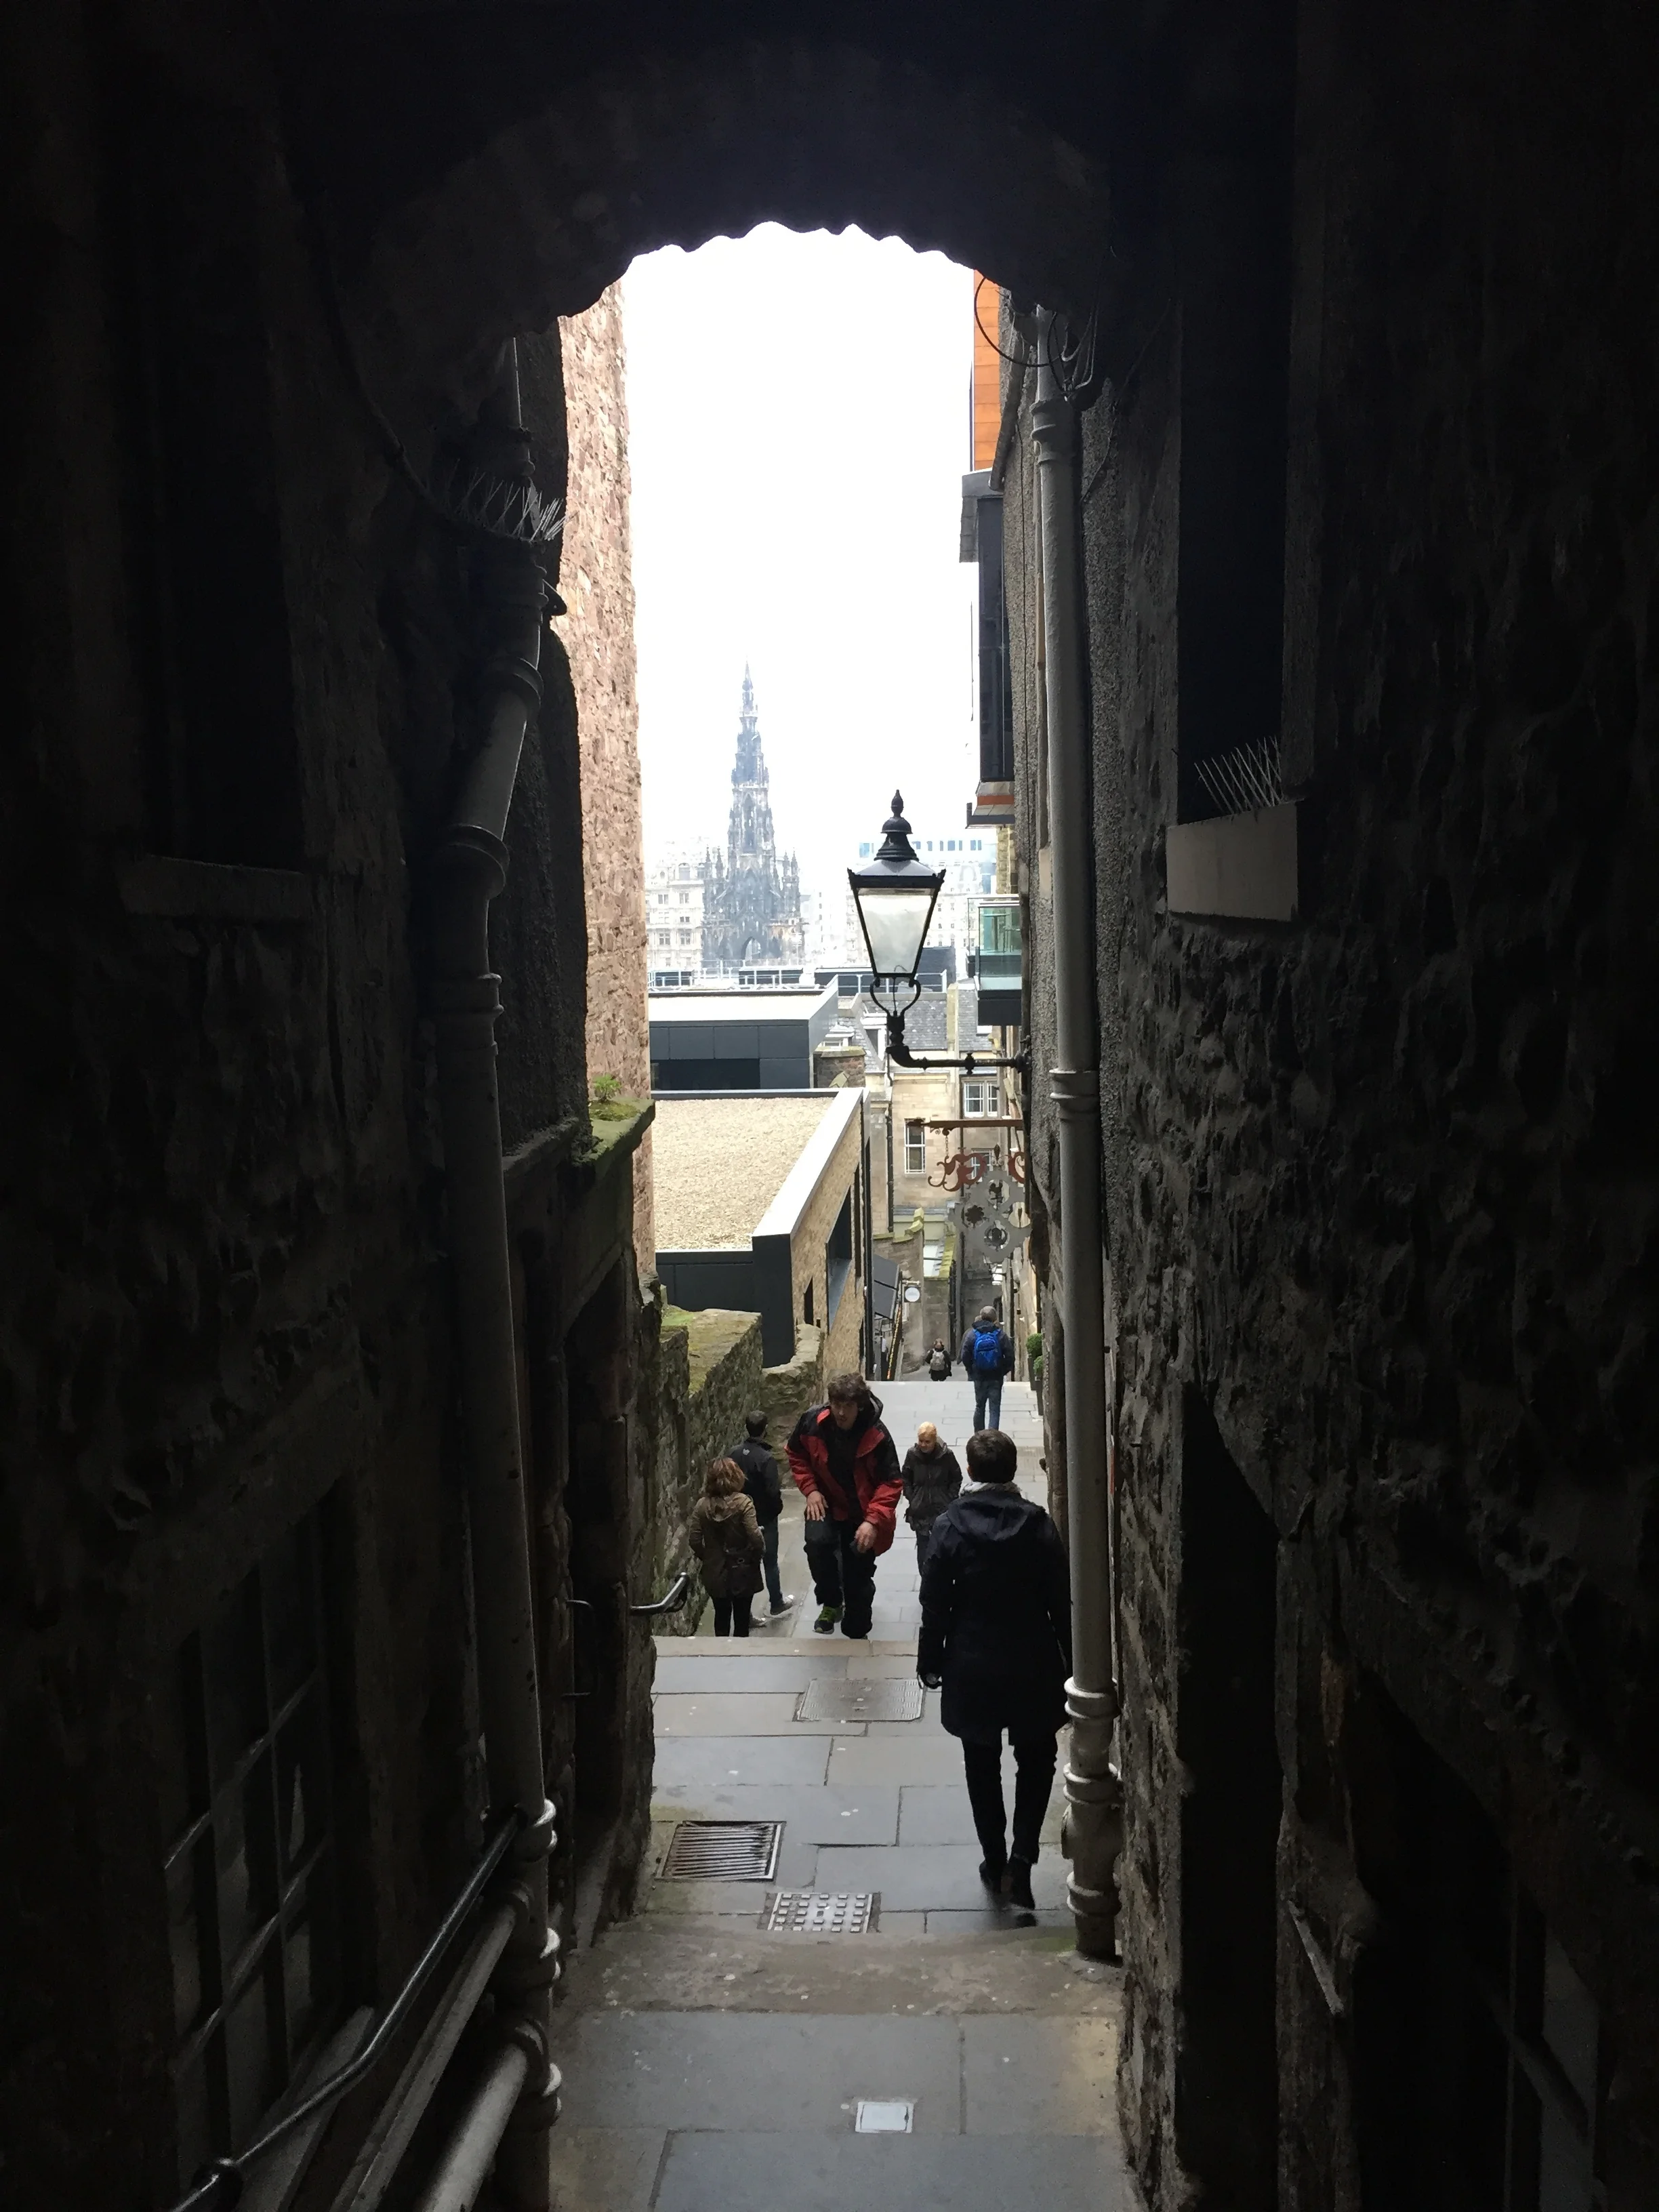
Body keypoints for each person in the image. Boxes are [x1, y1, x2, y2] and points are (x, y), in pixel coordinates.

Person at [918, 1427, 1070, 1910]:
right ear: (1010, 1471)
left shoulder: (950, 1525)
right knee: (1037, 1758)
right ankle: (1023, 1859)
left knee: (981, 1764)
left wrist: (930, 1659)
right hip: (1032, 1659)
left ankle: (994, 1857)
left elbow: (934, 1603)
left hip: (972, 1659)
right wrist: (1074, 1664)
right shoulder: (1039, 1525)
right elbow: (1060, 1604)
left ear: (972, 1470)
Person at [785, 1372, 903, 1638]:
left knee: (857, 1580)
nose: (840, 1412)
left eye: (847, 1406)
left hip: (861, 1513)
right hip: (825, 1502)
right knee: (817, 1546)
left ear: (859, 1406)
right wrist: (810, 1490)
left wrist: (873, 1521)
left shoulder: (878, 1435)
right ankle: (831, 1602)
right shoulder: (813, 1423)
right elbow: (796, 1453)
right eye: (836, 1404)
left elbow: (892, 1483)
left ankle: (855, 1622)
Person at [687, 1458, 764, 1637]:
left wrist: (708, 1557)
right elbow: (755, 1535)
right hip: (742, 1567)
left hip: (715, 1570)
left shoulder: (702, 1506)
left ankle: (720, 1655)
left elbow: (694, 1540)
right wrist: (757, 1555)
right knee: (742, 1619)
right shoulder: (744, 1503)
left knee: (721, 1616)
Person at [729, 1409, 793, 1618]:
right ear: (765, 1430)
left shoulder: (734, 1453)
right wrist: (776, 1510)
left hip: (738, 1517)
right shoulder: (766, 1458)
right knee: (770, 1561)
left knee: (743, 1563)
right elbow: (773, 1491)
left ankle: (744, 1614)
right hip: (764, 1517)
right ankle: (776, 1602)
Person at [901, 1420, 962, 1575]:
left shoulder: (947, 1456)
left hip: (941, 1509)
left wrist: (949, 1498)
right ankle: (925, 1581)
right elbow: (905, 1477)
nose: (923, 1445)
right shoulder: (912, 1455)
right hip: (920, 1510)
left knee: (941, 1547)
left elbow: (956, 1477)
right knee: (923, 1549)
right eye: (920, 1441)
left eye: (927, 1442)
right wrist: (912, 1496)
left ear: (935, 1440)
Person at [960, 1305, 1016, 1431]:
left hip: (979, 1377)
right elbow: (1010, 1356)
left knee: (980, 1406)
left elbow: (965, 1356)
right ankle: (992, 1436)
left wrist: (972, 1371)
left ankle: (979, 1435)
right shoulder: (1000, 1335)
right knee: (994, 1408)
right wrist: (1002, 1371)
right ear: (995, 1318)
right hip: (996, 1377)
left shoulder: (972, 1335)